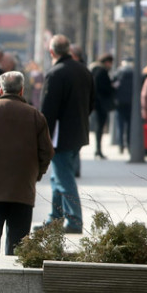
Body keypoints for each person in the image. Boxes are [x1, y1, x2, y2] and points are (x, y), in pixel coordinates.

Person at [0, 71, 54, 255]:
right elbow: (46, 152)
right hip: (22, 187)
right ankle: (14, 283)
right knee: (18, 249)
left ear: (1, 89)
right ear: (21, 90)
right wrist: (36, 174)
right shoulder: (36, 116)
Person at [38, 34, 94, 234]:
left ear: (52, 52)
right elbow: (91, 103)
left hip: (60, 135)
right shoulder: (84, 71)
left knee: (63, 177)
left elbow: (48, 110)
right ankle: (56, 218)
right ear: (69, 50)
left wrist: (42, 135)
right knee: (57, 177)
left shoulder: (55, 74)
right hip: (78, 132)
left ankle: (74, 219)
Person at [89, 53, 115, 159]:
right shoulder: (102, 72)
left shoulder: (94, 70)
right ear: (107, 62)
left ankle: (97, 149)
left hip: (95, 103)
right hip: (102, 103)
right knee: (100, 127)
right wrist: (112, 87)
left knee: (98, 127)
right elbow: (105, 88)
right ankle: (98, 150)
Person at [113, 58, 134, 154]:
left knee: (120, 125)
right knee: (129, 126)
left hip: (119, 103)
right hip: (131, 103)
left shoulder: (118, 73)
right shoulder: (134, 74)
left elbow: (113, 86)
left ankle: (121, 145)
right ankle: (129, 144)